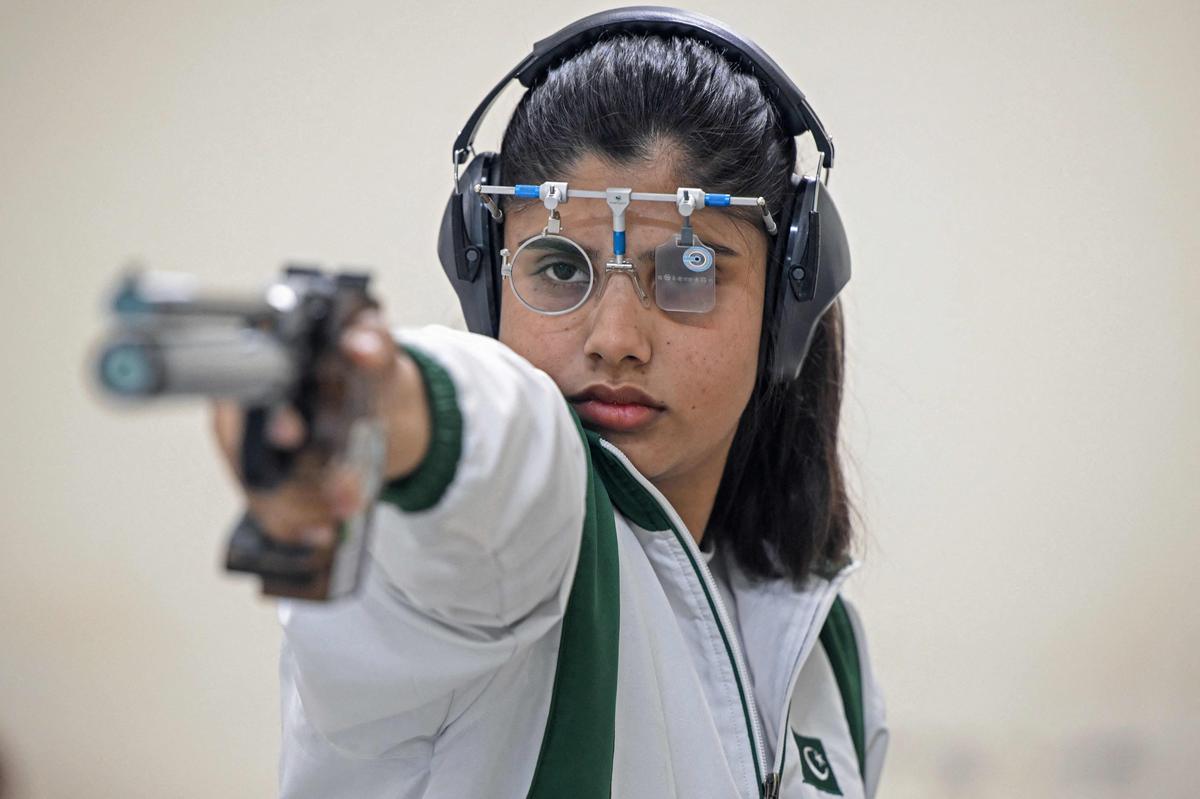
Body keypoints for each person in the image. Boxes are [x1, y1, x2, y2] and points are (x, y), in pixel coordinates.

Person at [211, 8, 887, 798]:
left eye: (691, 270)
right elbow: (501, 445)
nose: (615, 337)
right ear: (488, 285)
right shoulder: (503, 553)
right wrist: (372, 400)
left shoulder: (825, 651)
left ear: (785, 309)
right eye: (560, 270)